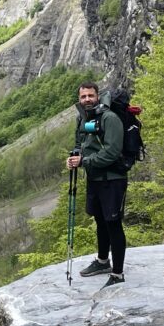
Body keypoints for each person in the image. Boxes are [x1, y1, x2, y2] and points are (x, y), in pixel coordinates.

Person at [66, 81, 127, 287]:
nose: (87, 100)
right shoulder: (83, 119)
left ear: (98, 96)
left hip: (112, 180)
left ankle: (118, 274)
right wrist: (74, 158)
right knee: (100, 221)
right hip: (95, 179)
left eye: (90, 96)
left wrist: (84, 162)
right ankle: (103, 261)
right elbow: (80, 146)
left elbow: (112, 152)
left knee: (113, 224)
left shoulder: (110, 118)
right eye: (83, 97)